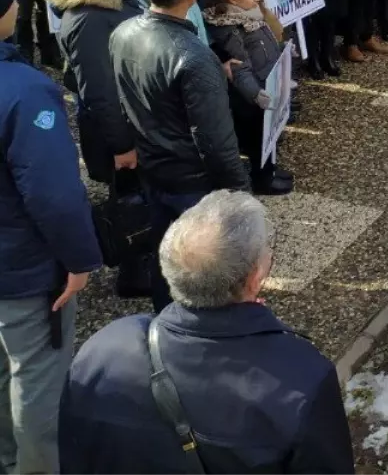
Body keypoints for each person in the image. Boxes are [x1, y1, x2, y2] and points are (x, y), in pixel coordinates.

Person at [60, 190, 354, 474]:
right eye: (268, 254)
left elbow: (76, 454)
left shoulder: (102, 350)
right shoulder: (301, 379)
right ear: (254, 279)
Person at [0, 0, 102, 474]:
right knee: (36, 381)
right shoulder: (25, 89)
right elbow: (53, 193)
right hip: (22, 267)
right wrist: (81, 258)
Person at [111, 0, 249, 312]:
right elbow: (216, 139)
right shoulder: (195, 56)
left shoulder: (123, 32)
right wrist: (239, 189)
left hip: (153, 168)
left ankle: (164, 319)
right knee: (203, 267)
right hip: (192, 179)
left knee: (165, 257)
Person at [40, 0, 150, 295]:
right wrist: (122, 145)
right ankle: (133, 273)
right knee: (131, 205)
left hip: (137, 120)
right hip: (121, 132)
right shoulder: (88, 18)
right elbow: (98, 91)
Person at [202, 0, 292, 197]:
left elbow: (267, 43)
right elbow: (240, 68)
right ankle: (262, 177)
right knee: (257, 137)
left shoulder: (250, 15)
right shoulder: (230, 28)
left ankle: (271, 169)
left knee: (270, 131)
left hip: (266, 81)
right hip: (250, 96)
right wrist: (254, 94)